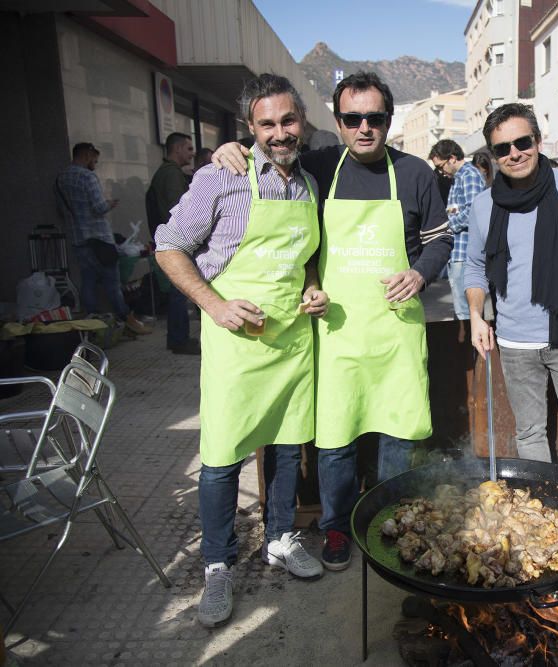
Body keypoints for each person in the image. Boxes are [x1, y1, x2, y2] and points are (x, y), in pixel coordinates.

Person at [214, 71, 452, 573]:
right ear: (338, 123)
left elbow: (440, 241)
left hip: (396, 331)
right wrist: (229, 150)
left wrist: (419, 272)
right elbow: (272, 147)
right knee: (335, 441)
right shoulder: (319, 166)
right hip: (337, 333)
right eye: (352, 118)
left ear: (388, 120)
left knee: (396, 435)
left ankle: (391, 524)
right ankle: (337, 527)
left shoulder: (414, 174)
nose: (364, 128)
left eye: (375, 118)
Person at [155, 74, 330, 627]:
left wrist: (311, 282)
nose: (280, 133)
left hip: (290, 339)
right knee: (222, 456)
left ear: (301, 121)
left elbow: (304, 254)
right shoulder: (221, 176)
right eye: (267, 124)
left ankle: (279, 536)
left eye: (288, 121)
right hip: (235, 339)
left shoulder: (309, 185)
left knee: (284, 445)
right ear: (250, 129)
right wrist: (214, 304)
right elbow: (167, 246)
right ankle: (217, 563)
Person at [465, 102, 558, 481]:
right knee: (530, 435)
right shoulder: (484, 205)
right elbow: (475, 267)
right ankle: (545, 517)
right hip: (514, 341)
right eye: (503, 148)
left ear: (538, 139)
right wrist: (475, 315)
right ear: (493, 154)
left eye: (522, 142)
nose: (514, 153)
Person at [55, 142, 151, 335]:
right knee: (112, 282)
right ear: (87, 155)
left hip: (77, 236)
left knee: (88, 280)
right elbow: (98, 207)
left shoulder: (61, 178)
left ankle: (93, 323)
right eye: (95, 160)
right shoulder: (88, 176)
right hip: (99, 238)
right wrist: (110, 203)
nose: (95, 164)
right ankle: (126, 318)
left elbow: (61, 209)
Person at [147, 132, 198, 355]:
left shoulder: (168, 173)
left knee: (179, 292)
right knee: (180, 291)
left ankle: (178, 338)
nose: (192, 153)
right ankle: (179, 339)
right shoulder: (171, 174)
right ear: (177, 149)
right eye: (188, 149)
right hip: (177, 242)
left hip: (172, 240)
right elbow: (179, 210)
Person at [429, 139, 486, 320]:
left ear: (452, 158)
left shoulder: (469, 175)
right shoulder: (458, 178)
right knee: (463, 311)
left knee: (467, 313)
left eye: (441, 166)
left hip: (466, 253)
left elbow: (473, 211)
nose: (440, 172)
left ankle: (471, 347)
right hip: (458, 252)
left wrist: (448, 226)